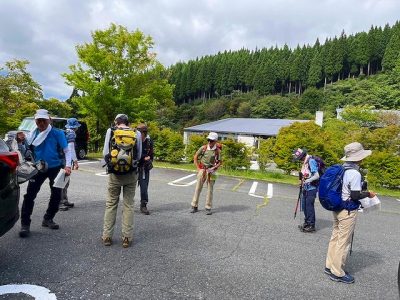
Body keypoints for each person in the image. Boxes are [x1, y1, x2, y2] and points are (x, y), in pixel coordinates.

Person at [325, 142, 376, 284]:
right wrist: (368, 194)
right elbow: (354, 196)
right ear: (359, 158)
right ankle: (337, 272)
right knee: (343, 241)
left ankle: (330, 266)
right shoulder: (354, 173)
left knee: (335, 237)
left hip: (337, 207)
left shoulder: (342, 169)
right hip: (348, 210)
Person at [19, 109, 72, 238]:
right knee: (30, 195)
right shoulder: (32, 135)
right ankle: (25, 225)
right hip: (38, 168)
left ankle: (48, 218)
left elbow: (67, 150)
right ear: (35, 121)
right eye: (39, 121)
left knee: (56, 195)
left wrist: (68, 166)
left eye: (44, 120)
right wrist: (20, 141)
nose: (41, 123)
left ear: (49, 120)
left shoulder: (57, 133)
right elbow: (24, 150)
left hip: (55, 168)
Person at [102, 114, 142, 248]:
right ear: (127, 122)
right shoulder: (136, 133)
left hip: (115, 174)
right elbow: (139, 155)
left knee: (111, 204)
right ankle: (126, 238)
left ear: (117, 122)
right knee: (129, 205)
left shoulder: (111, 131)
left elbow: (105, 153)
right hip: (131, 174)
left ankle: (107, 236)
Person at [190, 132, 222, 215]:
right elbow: (195, 157)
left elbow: (219, 162)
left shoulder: (217, 151)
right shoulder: (203, 148)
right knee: (198, 188)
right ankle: (194, 206)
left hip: (212, 172)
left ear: (215, 141)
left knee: (209, 190)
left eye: (211, 140)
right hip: (202, 170)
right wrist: (198, 168)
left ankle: (208, 207)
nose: (209, 142)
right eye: (208, 140)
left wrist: (214, 168)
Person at [293, 148, 320, 233]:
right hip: (305, 188)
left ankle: (311, 225)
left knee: (309, 207)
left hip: (311, 188)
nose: (299, 160)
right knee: (304, 206)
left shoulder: (311, 161)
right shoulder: (305, 162)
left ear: (303, 156)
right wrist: (301, 182)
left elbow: (316, 175)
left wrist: (307, 181)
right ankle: (307, 223)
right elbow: (304, 174)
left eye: (299, 158)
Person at [59, 118, 80, 211]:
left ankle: (64, 200)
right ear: (75, 126)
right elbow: (71, 149)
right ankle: (60, 202)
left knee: (64, 181)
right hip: (65, 161)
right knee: (62, 181)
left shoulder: (66, 132)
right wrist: (75, 162)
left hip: (62, 159)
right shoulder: (71, 134)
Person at [137, 123, 154, 215]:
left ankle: (143, 205)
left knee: (144, 187)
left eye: (140, 132)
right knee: (128, 186)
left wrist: (149, 160)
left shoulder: (149, 141)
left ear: (144, 133)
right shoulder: (134, 140)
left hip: (144, 167)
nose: (138, 134)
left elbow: (151, 155)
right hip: (134, 166)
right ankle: (128, 205)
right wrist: (144, 157)